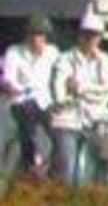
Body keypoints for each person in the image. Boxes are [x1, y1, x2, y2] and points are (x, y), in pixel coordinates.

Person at [45, 13, 108, 183]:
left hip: (97, 120)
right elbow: (59, 87)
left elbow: (107, 90)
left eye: (94, 35)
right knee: (68, 169)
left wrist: (80, 88)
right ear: (79, 35)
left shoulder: (107, 62)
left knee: (107, 170)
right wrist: (62, 99)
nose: (90, 39)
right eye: (86, 34)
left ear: (100, 38)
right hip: (67, 119)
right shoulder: (65, 59)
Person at [3, 17, 55, 180]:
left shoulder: (53, 53)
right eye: (33, 34)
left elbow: (60, 75)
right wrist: (10, 87)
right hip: (21, 100)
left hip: (46, 101)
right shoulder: (14, 52)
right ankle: (31, 163)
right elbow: (8, 78)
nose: (36, 39)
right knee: (27, 118)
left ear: (46, 37)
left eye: (40, 35)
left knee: (60, 130)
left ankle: (51, 166)